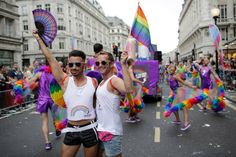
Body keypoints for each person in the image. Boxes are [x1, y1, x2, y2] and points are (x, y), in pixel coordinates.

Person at [33, 30, 98, 157]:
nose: (74, 67)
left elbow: (96, 104)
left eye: (78, 64)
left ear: (84, 65)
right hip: (71, 130)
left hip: (90, 129)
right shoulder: (64, 81)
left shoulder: (94, 82)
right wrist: (38, 39)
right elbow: (50, 59)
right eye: (71, 64)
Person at [95, 52, 133, 157]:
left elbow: (128, 90)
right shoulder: (102, 82)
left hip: (111, 132)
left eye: (103, 62)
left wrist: (123, 65)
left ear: (111, 64)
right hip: (100, 129)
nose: (100, 65)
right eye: (97, 63)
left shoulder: (114, 80)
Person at [29, 63, 57, 150]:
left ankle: (47, 143)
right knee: (56, 118)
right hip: (54, 98)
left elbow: (30, 83)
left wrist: (37, 84)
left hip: (42, 99)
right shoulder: (56, 72)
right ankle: (57, 129)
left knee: (44, 121)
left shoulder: (39, 73)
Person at [166, 65, 197, 131]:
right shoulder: (169, 76)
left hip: (179, 92)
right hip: (175, 93)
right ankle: (178, 120)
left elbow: (183, 82)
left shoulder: (175, 76)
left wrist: (192, 87)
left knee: (183, 107)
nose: (171, 70)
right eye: (170, 68)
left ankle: (186, 123)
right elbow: (171, 85)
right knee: (174, 108)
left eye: (172, 69)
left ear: (174, 70)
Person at [125, 58, 143, 123]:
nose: (135, 62)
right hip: (131, 87)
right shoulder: (130, 69)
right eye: (134, 61)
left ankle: (135, 116)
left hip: (133, 87)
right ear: (131, 62)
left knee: (135, 102)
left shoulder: (130, 69)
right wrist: (140, 82)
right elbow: (133, 79)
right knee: (131, 103)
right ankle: (129, 117)